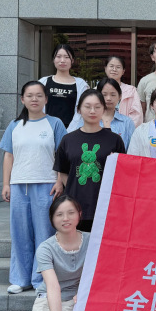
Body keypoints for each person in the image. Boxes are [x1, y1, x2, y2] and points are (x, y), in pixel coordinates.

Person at [0, 81, 67, 295]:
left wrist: (59, 181)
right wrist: (6, 183)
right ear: (22, 99)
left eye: (39, 95)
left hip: (46, 185)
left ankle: (42, 280)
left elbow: (62, 155)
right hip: (19, 185)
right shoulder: (14, 125)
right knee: (20, 233)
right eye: (30, 95)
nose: (34, 99)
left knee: (44, 233)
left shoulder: (55, 123)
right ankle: (20, 279)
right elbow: (8, 155)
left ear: (46, 99)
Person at [20, 194, 92, 311]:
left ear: (79, 214)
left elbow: (100, 273)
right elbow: (53, 287)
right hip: (49, 300)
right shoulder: (46, 248)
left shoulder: (92, 241)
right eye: (59, 214)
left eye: (71, 213)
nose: (66, 218)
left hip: (78, 300)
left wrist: (84, 292)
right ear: (52, 219)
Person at [54, 90, 126, 232]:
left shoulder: (114, 140)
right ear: (79, 109)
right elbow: (63, 171)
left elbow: (122, 173)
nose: (92, 111)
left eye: (97, 107)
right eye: (87, 106)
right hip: (75, 206)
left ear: (103, 109)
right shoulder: (68, 140)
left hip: (105, 206)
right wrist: (75, 189)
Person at [67, 78, 135, 149]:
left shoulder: (127, 122)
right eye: (104, 95)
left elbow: (132, 150)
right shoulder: (87, 119)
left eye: (113, 95)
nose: (108, 98)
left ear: (120, 96)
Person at [39, 44, 89, 129]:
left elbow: (83, 110)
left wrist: (70, 131)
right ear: (53, 59)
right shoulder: (43, 82)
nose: (62, 60)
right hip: (46, 130)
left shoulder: (81, 84)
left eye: (66, 57)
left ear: (72, 60)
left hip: (73, 131)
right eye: (58, 57)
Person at [103, 54, 143, 128]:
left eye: (118, 67)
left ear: (123, 71)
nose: (114, 69)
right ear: (105, 68)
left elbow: (136, 115)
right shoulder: (97, 90)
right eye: (111, 66)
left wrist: (125, 130)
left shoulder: (131, 91)